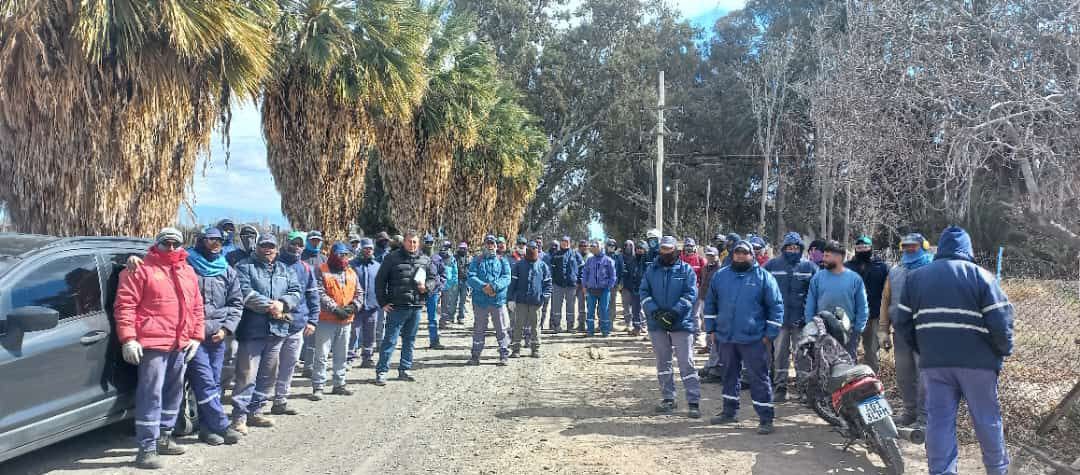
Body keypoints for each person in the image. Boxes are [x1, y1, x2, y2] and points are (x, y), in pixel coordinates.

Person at [893, 226, 1013, 475]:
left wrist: (923, 348)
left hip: (935, 364)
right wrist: (1001, 351)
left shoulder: (916, 278)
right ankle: (997, 470)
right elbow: (1001, 321)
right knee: (986, 420)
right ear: (967, 248)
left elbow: (902, 321)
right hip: (978, 365)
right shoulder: (982, 277)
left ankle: (942, 471)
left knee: (939, 423)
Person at [114, 228, 205, 469]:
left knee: (174, 392)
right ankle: (146, 447)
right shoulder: (140, 269)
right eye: (166, 243)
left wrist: (196, 336)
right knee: (150, 393)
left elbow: (197, 307)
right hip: (153, 343)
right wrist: (129, 338)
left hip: (180, 343)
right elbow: (125, 306)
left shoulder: (188, 271)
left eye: (176, 243)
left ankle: (165, 436)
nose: (171, 248)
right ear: (158, 244)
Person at [705, 240, 784, 434]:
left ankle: (766, 418)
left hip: (754, 339)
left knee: (759, 378)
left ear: (752, 255)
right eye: (737, 252)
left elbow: (776, 307)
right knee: (729, 375)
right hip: (726, 337)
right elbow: (710, 303)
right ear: (732, 255)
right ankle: (729, 412)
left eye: (745, 253)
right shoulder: (721, 276)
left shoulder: (764, 277)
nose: (740, 256)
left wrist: (769, 335)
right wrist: (711, 329)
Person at [231, 234, 301, 434]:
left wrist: (284, 303)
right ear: (257, 247)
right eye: (264, 246)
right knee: (246, 375)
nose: (267, 249)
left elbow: (296, 291)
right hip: (252, 330)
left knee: (268, 374)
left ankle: (257, 411)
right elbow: (244, 292)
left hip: (277, 330)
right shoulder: (244, 266)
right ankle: (239, 416)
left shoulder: (285, 270)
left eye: (271, 246)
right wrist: (271, 306)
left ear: (277, 249)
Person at [639, 236, 700, 418]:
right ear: (660, 250)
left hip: (681, 323)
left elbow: (691, 293)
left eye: (669, 249)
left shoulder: (686, 270)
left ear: (676, 250)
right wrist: (655, 312)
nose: (666, 252)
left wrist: (674, 312)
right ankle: (668, 398)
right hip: (657, 324)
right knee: (663, 362)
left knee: (686, 362)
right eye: (663, 249)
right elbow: (644, 292)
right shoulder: (651, 270)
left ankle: (693, 401)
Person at [879, 233, 932, 427]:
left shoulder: (932, 268)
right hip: (901, 332)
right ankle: (909, 413)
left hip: (924, 332)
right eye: (906, 246)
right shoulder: (895, 271)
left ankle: (925, 418)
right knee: (904, 375)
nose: (909, 249)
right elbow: (886, 300)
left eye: (914, 246)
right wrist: (883, 330)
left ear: (923, 246)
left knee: (924, 376)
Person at [373, 231, 437, 386]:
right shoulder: (392, 258)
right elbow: (380, 281)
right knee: (390, 340)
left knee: (409, 340)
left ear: (419, 243)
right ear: (404, 242)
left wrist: (427, 287)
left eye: (415, 242)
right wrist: (383, 303)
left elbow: (433, 279)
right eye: (409, 242)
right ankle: (382, 371)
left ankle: (405, 369)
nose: (412, 245)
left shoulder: (425, 260)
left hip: (415, 306)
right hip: (396, 307)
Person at [763, 232, 818, 402]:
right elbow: (761, 290)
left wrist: (811, 317)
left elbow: (816, 293)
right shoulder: (771, 265)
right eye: (789, 247)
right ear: (784, 248)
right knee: (779, 354)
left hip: (801, 321)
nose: (793, 250)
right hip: (778, 320)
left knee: (802, 355)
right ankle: (780, 387)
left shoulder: (809, 267)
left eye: (796, 247)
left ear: (801, 248)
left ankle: (805, 389)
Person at [273, 231, 320, 416]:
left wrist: (313, 320)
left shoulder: (306, 268)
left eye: (300, 244)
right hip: (274, 323)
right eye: (294, 243)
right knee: (268, 365)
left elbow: (313, 295)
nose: (297, 247)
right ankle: (258, 403)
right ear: (287, 243)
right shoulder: (275, 264)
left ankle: (280, 401)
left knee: (289, 364)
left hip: (297, 324)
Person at [311, 243, 362, 399]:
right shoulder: (322, 269)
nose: (343, 258)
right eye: (340, 254)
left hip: (346, 320)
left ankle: (339, 384)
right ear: (333, 254)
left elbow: (359, 292)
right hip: (326, 319)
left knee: (342, 354)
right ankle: (318, 386)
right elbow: (319, 292)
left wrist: (353, 307)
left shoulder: (352, 272)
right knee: (322, 354)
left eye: (346, 255)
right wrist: (335, 308)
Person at [804, 240, 869, 359]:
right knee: (824, 366)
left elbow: (862, 307)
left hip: (848, 332)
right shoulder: (818, 277)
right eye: (824, 255)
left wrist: (857, 330)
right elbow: (810, 304)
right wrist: (810, 326)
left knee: (848, 368)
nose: (823, 259)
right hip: (822, 331)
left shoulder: (854, 279)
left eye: (827, 256)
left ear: (839, 257)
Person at [467, 235, 513, 365]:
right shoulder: (477, 260)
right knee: (479, 329)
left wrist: (493, 287)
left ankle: (504, 355)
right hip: (480, 302)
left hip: (497, 301)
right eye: (488, 243)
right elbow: (471, 277)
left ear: (496, 245)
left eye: (492, 243)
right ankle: (475, 356)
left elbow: (506, 277)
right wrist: (483, 287)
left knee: (501, 329)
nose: (490, 245)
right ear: (484, 245)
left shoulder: (502, 260)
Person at [845, 235, 889, 372]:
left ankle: (871, 381)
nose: (862, 250)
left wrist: (887, 318)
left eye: (865, 247)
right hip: (852, 315)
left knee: (871, 351)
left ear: (871, 248)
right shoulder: (847, 268)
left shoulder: (881, 267)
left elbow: (887, 293)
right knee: (848, 350)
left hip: (874, 315)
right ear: (855, 249)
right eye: (859, 248)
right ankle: (848, 381)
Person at [508, 241, 552, 358]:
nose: (532, 250)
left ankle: (535, 349)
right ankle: (516, 349)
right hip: (521, 301)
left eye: (534, 248)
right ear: (526, 250)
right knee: (518, 325)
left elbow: (548, 284)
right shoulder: (519, 265)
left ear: (538, 250)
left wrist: (543, 297)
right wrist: (511, 299)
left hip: (536, 302)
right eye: (530, 248)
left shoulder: (542, 266)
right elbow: (512, 283)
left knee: (535, 326)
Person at [350, 238, 382, 368]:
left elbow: (381, 284)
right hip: (355, 306)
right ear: (361, 249)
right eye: (366, 248)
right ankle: (349, 358)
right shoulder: (352, 265)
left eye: (370, 248)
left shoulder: (377, 266)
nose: (368, 250)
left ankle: (367, 358)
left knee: (370, 333)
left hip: (372, 305)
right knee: (353, 333)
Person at [697, 246, 725, 381]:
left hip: (717, 305)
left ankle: (714, 368)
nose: (710, 258)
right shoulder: (705, 267)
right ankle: (712, 366)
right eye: (708, 255)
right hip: (705, 300)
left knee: (717, 336)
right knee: (709, 330)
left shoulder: (721, 270)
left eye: (712, 256)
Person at [581, 239, 617, 337]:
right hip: (591, 290)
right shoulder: (589, 260)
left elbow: (613, 276)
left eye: (594, 247)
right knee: (590, 311)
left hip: (604, 290)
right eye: (591, 247)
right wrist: (584, 286)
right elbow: (585, 273)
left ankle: (605, 331)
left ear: (600, 247)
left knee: (604, 310)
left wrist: (609, 286)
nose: (593, 248)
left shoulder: (608, 260)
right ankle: (590, 331)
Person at [548, 236, 583, 333]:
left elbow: (581, 268)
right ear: (560, 243)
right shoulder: (556, 255)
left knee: (571, 306)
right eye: (563, 241)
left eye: (566, 241)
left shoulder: (575, 254)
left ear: (570, 243)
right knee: (556, 306)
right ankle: (556, 326)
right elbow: (551, 270)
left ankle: (570, 326)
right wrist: (553, 281)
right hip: (558, 285)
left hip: (571, 285)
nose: (564, 243)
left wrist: (579, 281)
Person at [426, 240, 452, 349]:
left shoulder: (437, 258)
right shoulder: (416, 256)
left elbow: (443, 273)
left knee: (432, 317)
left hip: (433, 292)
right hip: (417, 292)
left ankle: (434, 341)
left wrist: (440, 285)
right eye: (427, 242)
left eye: (431, 242)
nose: (429, 244)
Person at [680, 238, 706, 345]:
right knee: (683, 313)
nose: (689, 250)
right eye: (687, 247)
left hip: (697, 290)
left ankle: (697, 335)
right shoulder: (679, 259)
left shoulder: (700, 260)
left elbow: (705, 276)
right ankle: (684, 336)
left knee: (695, 315)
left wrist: (702, 290)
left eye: (691, 247)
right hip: (682, 291)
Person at [620, 240, 646, 336]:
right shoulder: (632, 261)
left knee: (644, 309)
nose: (639, 250)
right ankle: (636, 328)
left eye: (641, 249)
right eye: (638, 249)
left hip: (645, 289)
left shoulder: (647, 261)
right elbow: (627, 273)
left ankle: (644, 327)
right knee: (635, 309)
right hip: (633, 288)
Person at [445, 242, 471, 325]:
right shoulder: (454, 257)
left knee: (463, 301)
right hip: (455, 281)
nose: (462, 250)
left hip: (465, 281)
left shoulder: (469, 258)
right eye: (461, 248)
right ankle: (450, 317)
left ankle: (461, 317)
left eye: (464, 248)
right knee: (453, 300)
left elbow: (471, 270)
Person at [605, 238, 624, 331]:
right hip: (602, 285)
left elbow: (621, 270)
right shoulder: (602, 256)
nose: (611, 247)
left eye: (613, 246)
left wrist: (620, 283)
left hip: (613, 285)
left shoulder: (618, 257)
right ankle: (602, 323)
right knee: (602, 304)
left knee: (612, 304)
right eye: (609, 245)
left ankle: (611, 324)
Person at [574, 239, 592, 332]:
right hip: (579, 285)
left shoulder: (591, 257)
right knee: (581, 306)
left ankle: (590, 325)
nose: (583, 247)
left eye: (585, 246)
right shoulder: (575, 256)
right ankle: (581, 324)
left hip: (590, 286)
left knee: (590, 306)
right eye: (581, 246)